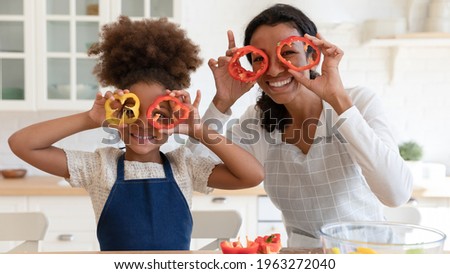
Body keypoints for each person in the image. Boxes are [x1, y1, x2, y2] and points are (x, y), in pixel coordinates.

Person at [8, 16, 264, 251]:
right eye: (132, 111)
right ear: (115, 115)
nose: (143, 125)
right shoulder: (100, 167)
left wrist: (197, 129)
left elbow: (252, 175)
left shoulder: (184, 166)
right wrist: (90, 119)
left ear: (174, 120)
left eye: (158, 116)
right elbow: (21, 144)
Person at [188, 3, 413, 247]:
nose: (273, 70)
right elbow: (190, 169)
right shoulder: (258, 120)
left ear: (312, 55)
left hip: (368, 257)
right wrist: (222, 103)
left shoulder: (358, 101)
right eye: (259, 58)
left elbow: (396, 194)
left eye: (287, 53)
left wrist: (338, 101)